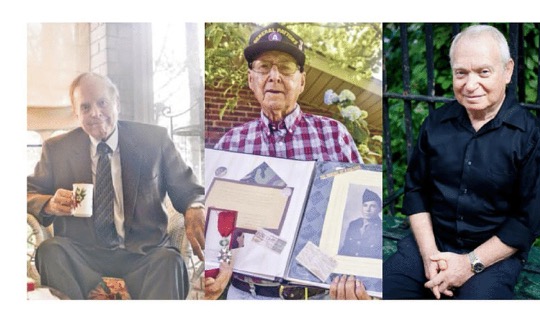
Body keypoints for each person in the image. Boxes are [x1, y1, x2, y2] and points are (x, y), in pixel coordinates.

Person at [383, 24, 540, 300]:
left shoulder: (529, 136)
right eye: (461, 73)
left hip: (493, 255)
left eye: (483, 72)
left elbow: (527, 221)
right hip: (430, 244)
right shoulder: (435, 124)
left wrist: (469, 264)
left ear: (507, 71)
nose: (470, 85)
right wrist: (429, 255)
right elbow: (416, 192)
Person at [207, 23, 371, 300]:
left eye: (285, 67)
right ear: (251, 80)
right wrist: (217, 265)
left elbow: (352, 211)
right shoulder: (230, 144)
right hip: (246, 296)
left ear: (302, 82)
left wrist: (362, 280)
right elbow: (219, 225)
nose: (274, 76)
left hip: (316, 297)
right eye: (263, 67)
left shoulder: (334, 136)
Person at [27, 72, 206, 300]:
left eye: (102, 103)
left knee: (170, 261)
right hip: (84, 255)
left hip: (144, 254)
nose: (95, 113)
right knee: (50, 251)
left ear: (117, 103)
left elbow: (189, 189)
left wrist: (195, 207)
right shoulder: (56, 149)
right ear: (76, 113)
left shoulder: (153, 140)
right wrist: (49, 204)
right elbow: (26, 193)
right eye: (85, 107)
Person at [339, 189, 382, 259]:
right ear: (361, 207)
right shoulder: (353, 224)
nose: (368, 209)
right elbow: (345, 248)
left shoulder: (381, 228)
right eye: (365, 205)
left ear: (379, 209)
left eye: (373, 206)